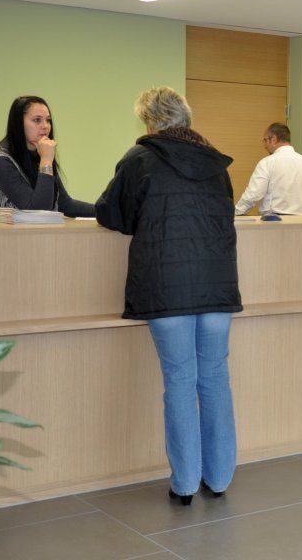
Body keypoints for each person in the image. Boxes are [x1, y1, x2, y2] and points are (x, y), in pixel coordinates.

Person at [95, 87, 241, 506]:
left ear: (150, 120)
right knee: (215, 379)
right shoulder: (216, 163)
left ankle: (185, 483)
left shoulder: (139, 159)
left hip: (166, 285)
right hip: (217, 286)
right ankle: (219, 478)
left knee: (179, 381)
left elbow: (113, 214)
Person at [0, 96, 95, 218]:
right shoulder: (1, 162)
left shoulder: (41, 153)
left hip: (38, 230)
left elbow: (65, 204)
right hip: (8, 231)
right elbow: (38, 211)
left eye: (48, 120)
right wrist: (46, 160)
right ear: (19, 124)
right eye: (37, 120)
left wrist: (104, 211)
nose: (45, 126)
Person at [234, 123, 302, 216]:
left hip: (275, 221)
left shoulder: (267, 163)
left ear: (273, 139)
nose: (265, 146)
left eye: (265, 140)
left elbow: (253, 194)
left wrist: (235, 213)